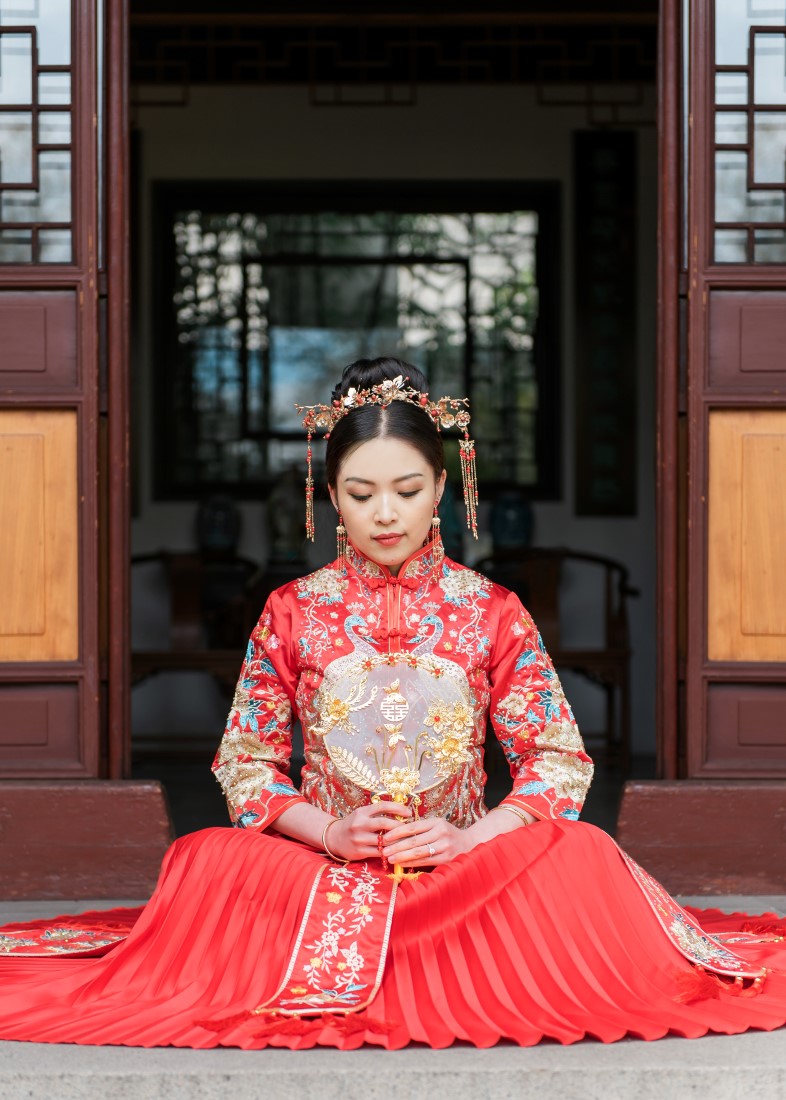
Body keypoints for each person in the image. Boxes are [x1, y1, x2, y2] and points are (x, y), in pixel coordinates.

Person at [0, 357, 785, 1050]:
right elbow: (246, 764)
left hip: (464, 873)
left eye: (407, 490)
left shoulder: (494, 611)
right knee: (202, 857)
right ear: (330, 497)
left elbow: (557, 761)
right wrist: (330, 833)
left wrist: (469, 839)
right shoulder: (291, 610)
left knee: (583, 852)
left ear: (441, 487)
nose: (385, 513)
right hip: (320, 871)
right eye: (361, 492)